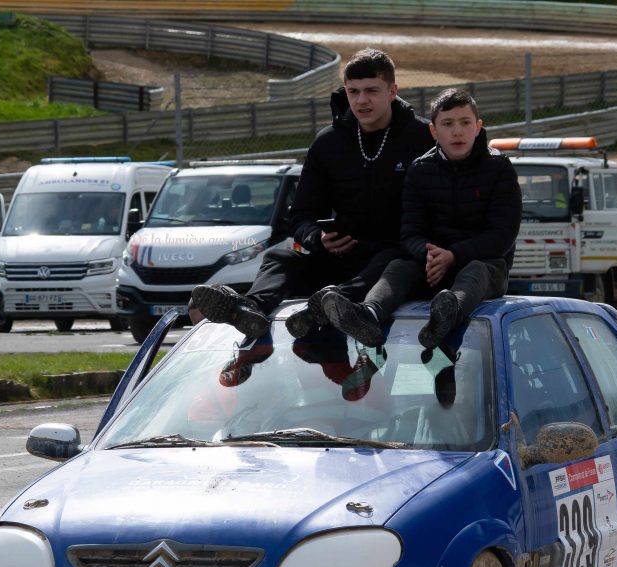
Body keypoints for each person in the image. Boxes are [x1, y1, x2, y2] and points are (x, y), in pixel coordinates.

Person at [188, 48, 435, 340]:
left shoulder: (422, 137)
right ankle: (250, 307)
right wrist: (317, 237)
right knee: (280, 257)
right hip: (340, 256)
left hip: (395, 259)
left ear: (392, 91)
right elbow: (301, 215)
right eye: (353, 91)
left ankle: (331, 303)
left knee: (394, 258)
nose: (361, 100)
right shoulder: (328, 142)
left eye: (371, 90)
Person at [319, 88, 522, 350]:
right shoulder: (419, 170)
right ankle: (368, 315)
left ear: (478, 126)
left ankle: (447, 315)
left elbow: (502, 236)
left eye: (465, 123)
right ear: (434, 131)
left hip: (486, 268)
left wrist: (453, 255)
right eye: (447, 124)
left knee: (477, 269)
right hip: (433, 267)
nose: (457, 131)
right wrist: (429, 255)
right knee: (398, 266)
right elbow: (410, 233)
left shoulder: (500, 168)